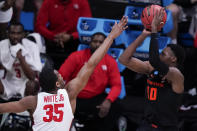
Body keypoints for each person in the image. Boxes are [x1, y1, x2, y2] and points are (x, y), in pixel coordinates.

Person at [0, 16, 128, 131]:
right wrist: (111, 37)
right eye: (60, 76)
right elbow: (91, 64)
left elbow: (3, 108)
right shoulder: (68, 96)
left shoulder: (32, 101)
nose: (62, 76)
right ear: (57, 83)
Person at [119, 9, 185, 131]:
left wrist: (155, 30)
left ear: (173, 59)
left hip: (166, 128)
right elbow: (124, 60)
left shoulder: (176, 75)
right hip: (147, 124)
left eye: (163, 54)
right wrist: (143, 35)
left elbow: (155, 60)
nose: (160, 55)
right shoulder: (151, 68)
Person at [59, 32, 121, 131]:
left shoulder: (110, 61)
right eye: (95, 41)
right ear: (89, 43)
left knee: (116, 106)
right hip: (75, 96)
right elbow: (61, 75)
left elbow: (117, 85)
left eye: (101, 42)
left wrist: (108, 101)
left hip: (95, 98)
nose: (97, 44)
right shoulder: (76, 56)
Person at [35, 0, 92, 69]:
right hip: (53, 41)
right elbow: (39, 25)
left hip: (74, 42)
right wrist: (53, 36)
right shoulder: (48, 2)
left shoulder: (82, 2)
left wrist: (71, 36)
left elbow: (87, 27)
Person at [0, 22, 42, 100]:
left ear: (23, 34)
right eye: (12, 33)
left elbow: (32, 76)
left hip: (25, 81)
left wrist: (21, 58)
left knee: (32, 84)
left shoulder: (32, 46)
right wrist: (10, 57)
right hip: (8, 81)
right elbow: (2, 68)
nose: (15, 37)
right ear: (7, 33)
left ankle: (28, 110)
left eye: (18, 33)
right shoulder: (2, 45)